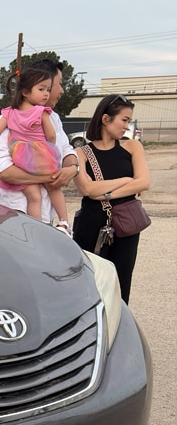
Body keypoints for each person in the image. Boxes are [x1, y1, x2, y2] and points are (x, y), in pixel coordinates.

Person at [72, 94, 150, 303]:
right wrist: (126, 180)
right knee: (89, 282)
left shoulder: (133, 147)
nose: (127, 126)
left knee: (121, 283)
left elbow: (143, 183)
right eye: (124, 120)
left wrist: (104, 193)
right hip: (90, 224)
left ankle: (117, 331)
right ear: (106, 119)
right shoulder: (80, 152)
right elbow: (87, 188)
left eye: (128, 120)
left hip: (125, 223)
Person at [0, 59, 79, 233]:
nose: (61, 91)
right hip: (17, 219)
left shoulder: (53, 118)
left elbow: (66, 149)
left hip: (47, 220)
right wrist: (50, 177)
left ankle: (63, 222)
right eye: (56, 85)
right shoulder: (8, 120)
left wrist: (73, 168)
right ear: (29, 89)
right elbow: (3, 171)